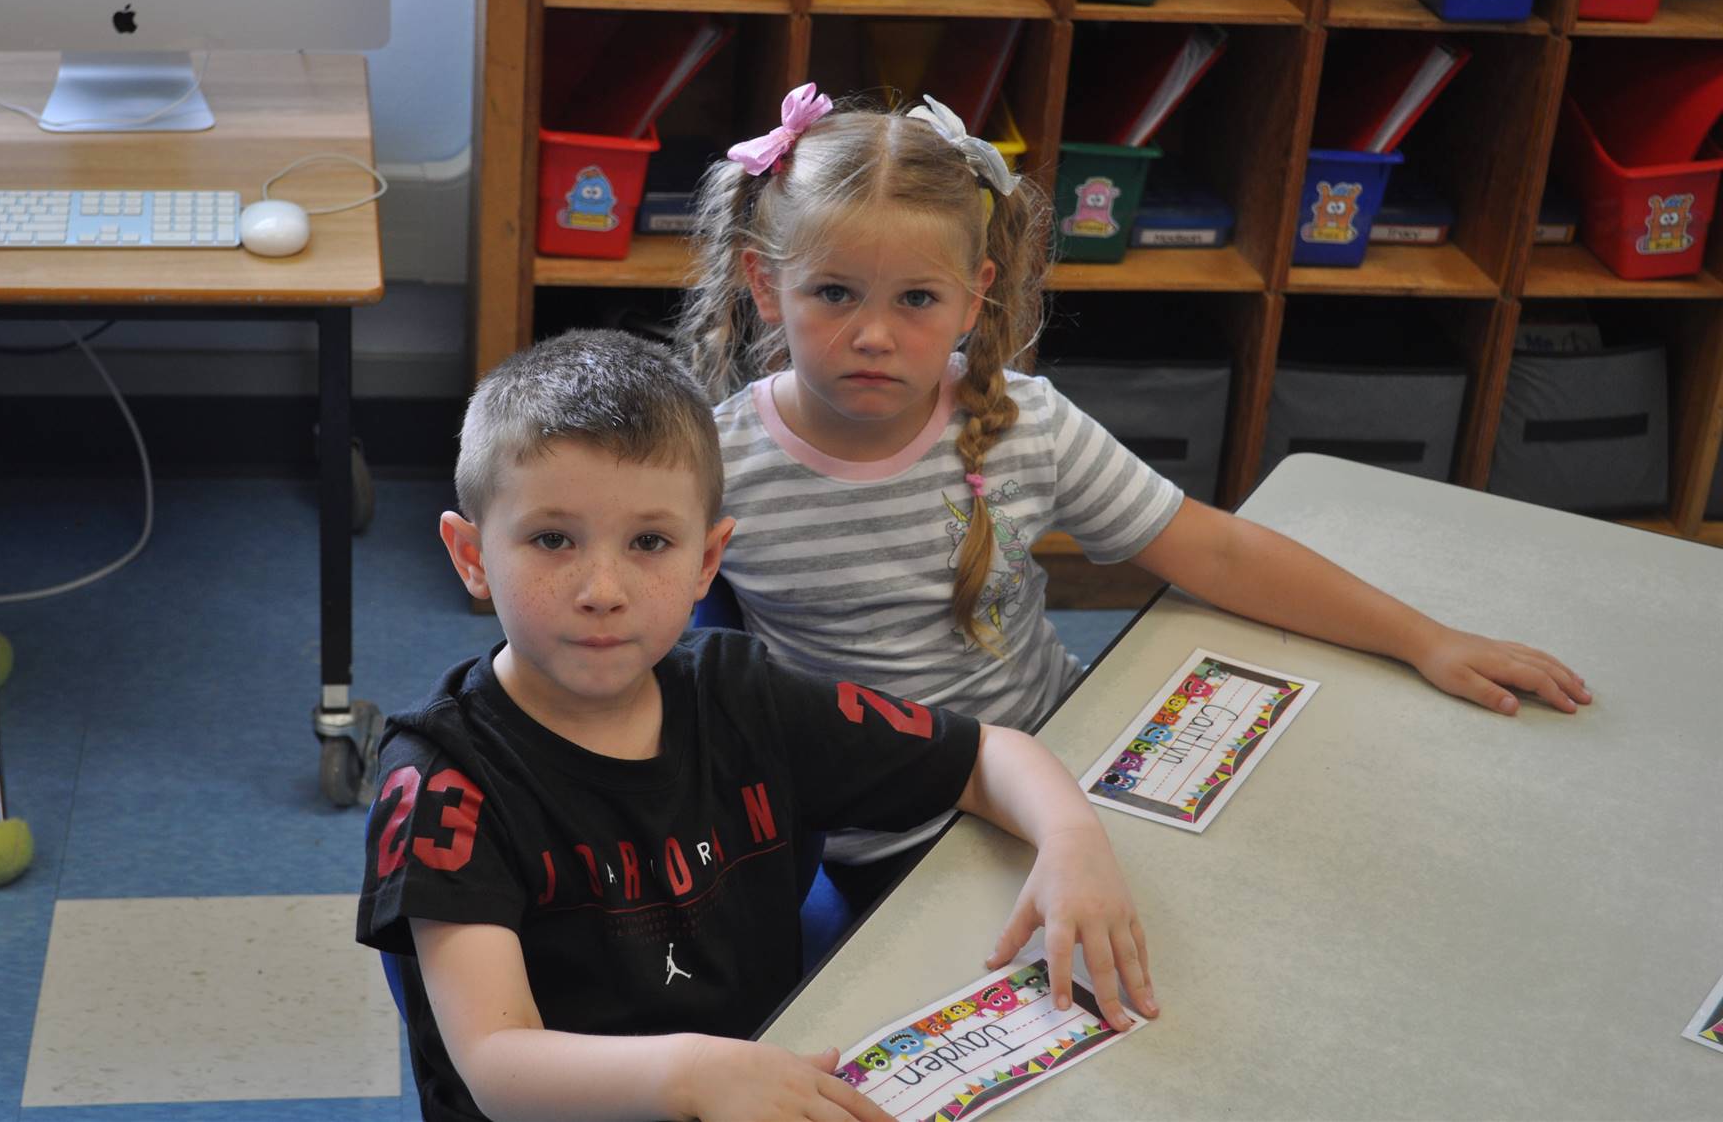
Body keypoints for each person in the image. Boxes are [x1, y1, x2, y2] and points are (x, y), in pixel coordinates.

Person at [677, 84, 1594, 914]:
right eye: (834, 292)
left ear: (972, 299)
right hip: (894, 832)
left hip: (1072, 754)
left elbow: (1217, 551)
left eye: (917, 297)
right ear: (766, 285)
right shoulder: (714, 462)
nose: (874, 335)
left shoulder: (1024, 422)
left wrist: (1426, 639)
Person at [357, 329, 1160, 1122]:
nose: (602, 587)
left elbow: (990, 755)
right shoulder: (442, 778)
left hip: (757, 1080)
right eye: (552, 539)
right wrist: (692, 1072)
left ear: (707, 560)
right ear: (470, 555)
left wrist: (1071, 840)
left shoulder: (743, 694)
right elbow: (499, 1066)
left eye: (649, 542)